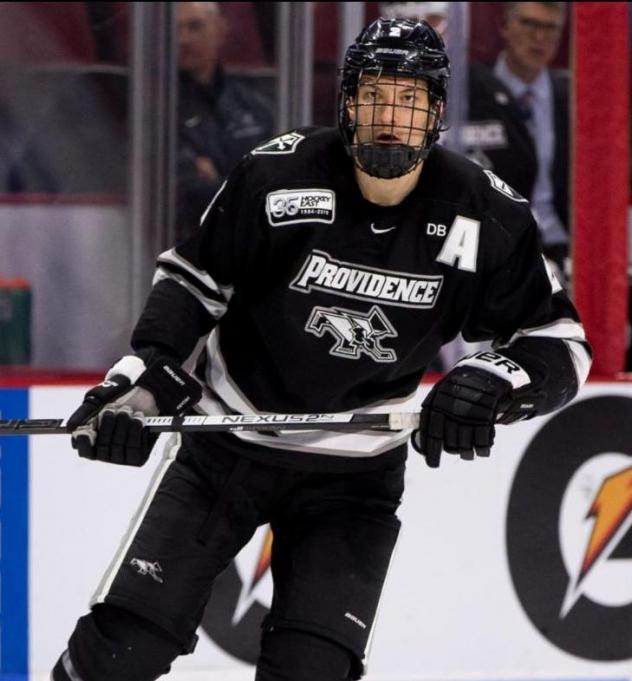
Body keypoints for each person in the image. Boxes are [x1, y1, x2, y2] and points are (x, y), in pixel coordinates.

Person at [52, 18, 591, 681]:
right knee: (120, 651)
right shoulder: (278, 175)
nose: (391, 115)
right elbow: (194, 285)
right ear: (345, 103)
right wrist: (144, 380)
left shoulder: (485, 213)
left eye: (410, 97)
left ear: (438, 112)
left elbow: (560, 343)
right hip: (226, 447)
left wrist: (493, 379)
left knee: (313, 669)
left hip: (355, 478)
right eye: (375, 95)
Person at [466, 2, 570, 276]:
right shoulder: (469, 91)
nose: (539, 38)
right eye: (529, 24)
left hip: (561, 247)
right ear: (505, 27)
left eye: (550, 28)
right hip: (491, 249)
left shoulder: (573, 98)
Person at [176, 1, 273, 242]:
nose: (183, 40)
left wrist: (214, 175)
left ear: (220, 31)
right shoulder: (156, 105)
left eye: (195, 27)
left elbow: (276, 176)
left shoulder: (251, 103)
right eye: (176, 29)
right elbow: (186, 188)